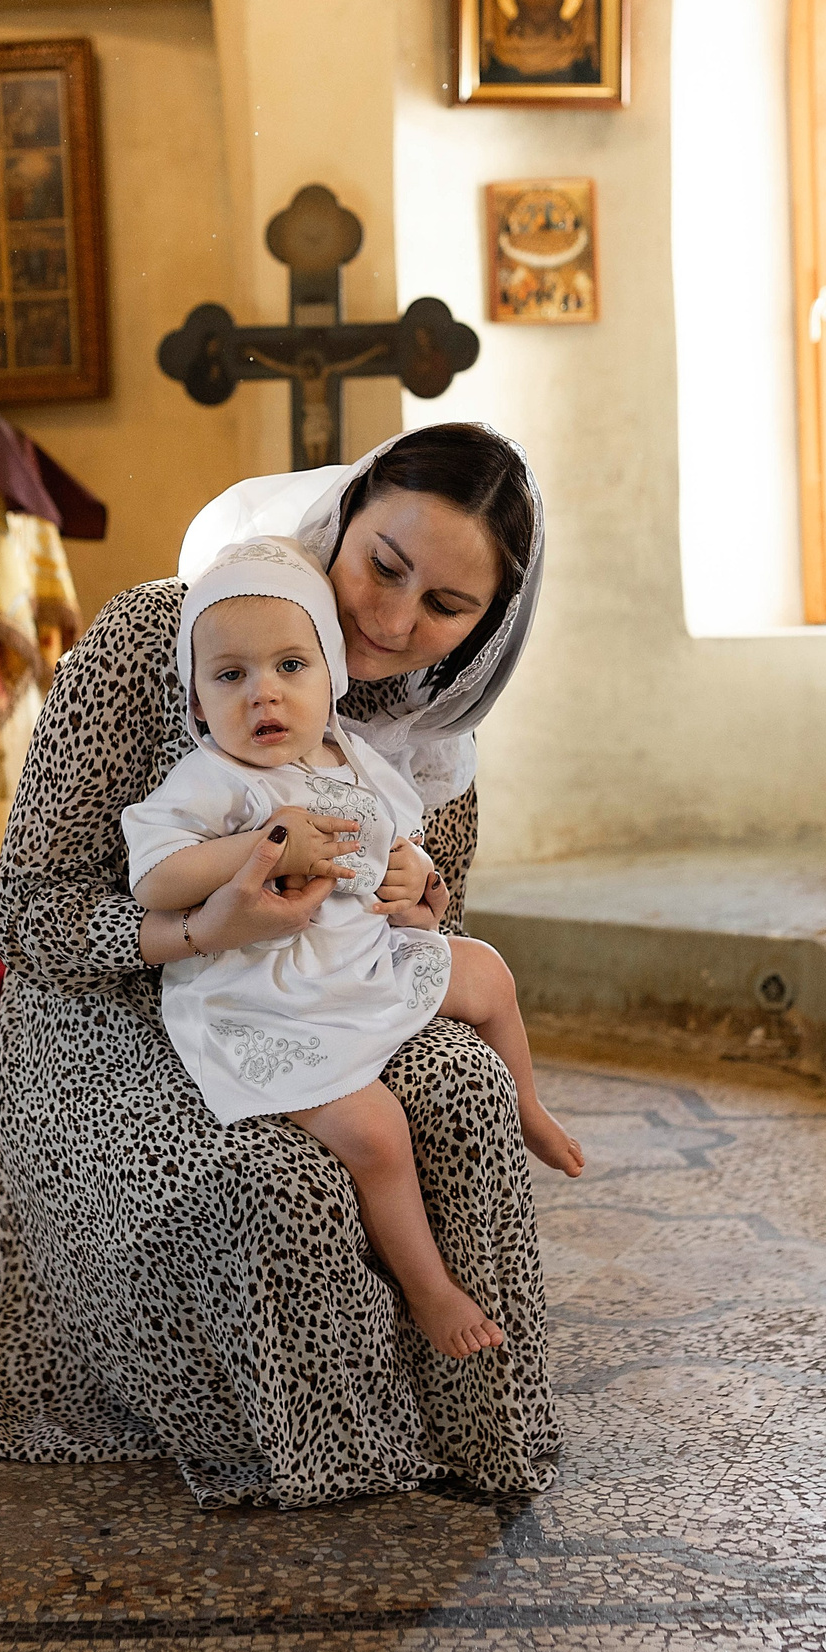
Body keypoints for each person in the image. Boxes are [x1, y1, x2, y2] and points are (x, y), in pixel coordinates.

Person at [0, 422, 558, 1509]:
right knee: (277, 1179)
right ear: (343, 518)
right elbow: (27, 911)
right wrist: (202, 930)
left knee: (467, 1092)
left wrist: (423, 897)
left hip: (322, 1002)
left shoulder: (429, 730)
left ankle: (465, 1422)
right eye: (382, 567)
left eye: (445, 608)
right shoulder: (160, 637)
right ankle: (318, 1450)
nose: (393, 621)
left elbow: (410, 928)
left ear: (484, 630)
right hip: (109, 1009)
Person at [123, 539, 582, 1361]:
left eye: (290, 665)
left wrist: (417, 878)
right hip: (264, 989)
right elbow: (156, 880)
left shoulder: (352, 757)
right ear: (196, 701)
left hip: (361, 957)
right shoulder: (213, 780)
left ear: (330, 676)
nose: (263, 690)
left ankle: (529, 1106)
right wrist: (261, 845)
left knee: (487, 972)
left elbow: (399, 846)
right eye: (229, 675)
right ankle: (430, 1288)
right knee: (374, 1132)